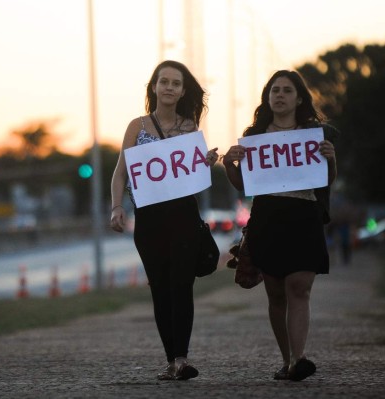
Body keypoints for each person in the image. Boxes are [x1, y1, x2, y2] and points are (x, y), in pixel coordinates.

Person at [222, 70, 339, 381]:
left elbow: (326, 180)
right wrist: (228, 164)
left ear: (299, 98)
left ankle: (298, 359)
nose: (280, 95)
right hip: (268, 217)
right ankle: (288, 360)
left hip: (304, 216)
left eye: (287, 90)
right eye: (275, 90)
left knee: (299, 287)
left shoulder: (314, 134)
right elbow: (242, 186)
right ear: (268, 97)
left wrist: (331, 158)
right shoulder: (255, 136)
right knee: (276, 293)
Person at [110, 60, 218, 381]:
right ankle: (171, 361)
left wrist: (207, 162)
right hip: (149, 219)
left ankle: (182, 359)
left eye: (176, 83)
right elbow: (121, 172)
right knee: (161, 289)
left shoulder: (189, 127)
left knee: (182, 286)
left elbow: (191, 174)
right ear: (154, 87)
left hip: (184, 215)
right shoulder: (137, 126)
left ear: (183, 90)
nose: (169, 87)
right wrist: (117, 207)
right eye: (164, 81)